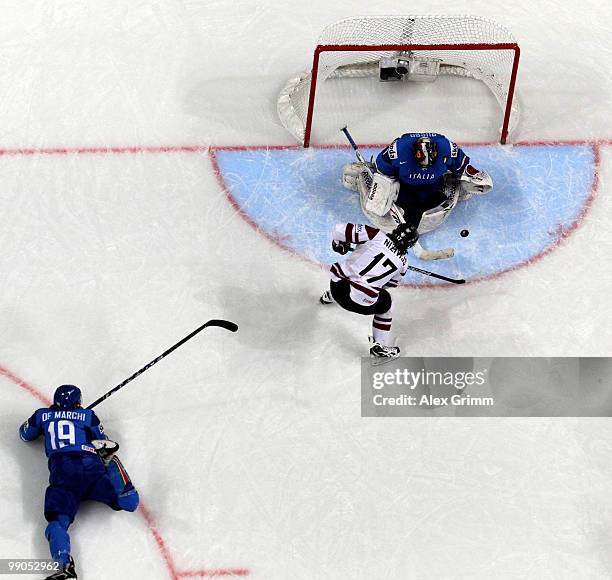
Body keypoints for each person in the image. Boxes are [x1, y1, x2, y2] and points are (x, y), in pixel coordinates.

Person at [19, 385, 139, 580]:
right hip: (92, 468)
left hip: (64, 473)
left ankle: (65, 567)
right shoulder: (88, 415)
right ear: (79, 402)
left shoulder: (41, 416)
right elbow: (102, 438)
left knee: (57, 523)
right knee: (127, 503)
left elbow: (24, 434)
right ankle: (113, 465)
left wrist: (46, 425)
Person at [342, 132, 493, 236]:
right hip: (403, 186)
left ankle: (457, 187)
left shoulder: (447, 148)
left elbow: (464, 166)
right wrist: (383, 189)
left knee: (431, 204)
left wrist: (475, 177)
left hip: (433, 186)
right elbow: (382, 170)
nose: (424, 168)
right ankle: (361, 178)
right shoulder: (397, 150)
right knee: (379, 210)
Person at [320, 221, 419, 360]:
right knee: (387, 304)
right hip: (361, 303)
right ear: (410, 244)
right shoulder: (403, 264)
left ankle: (330, 296)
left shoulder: (375, 235)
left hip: (337, 288)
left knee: (348, 277)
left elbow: (338, 230)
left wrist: (339, 244)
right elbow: (388, 285)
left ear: (396, 230)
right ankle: (379, 346)